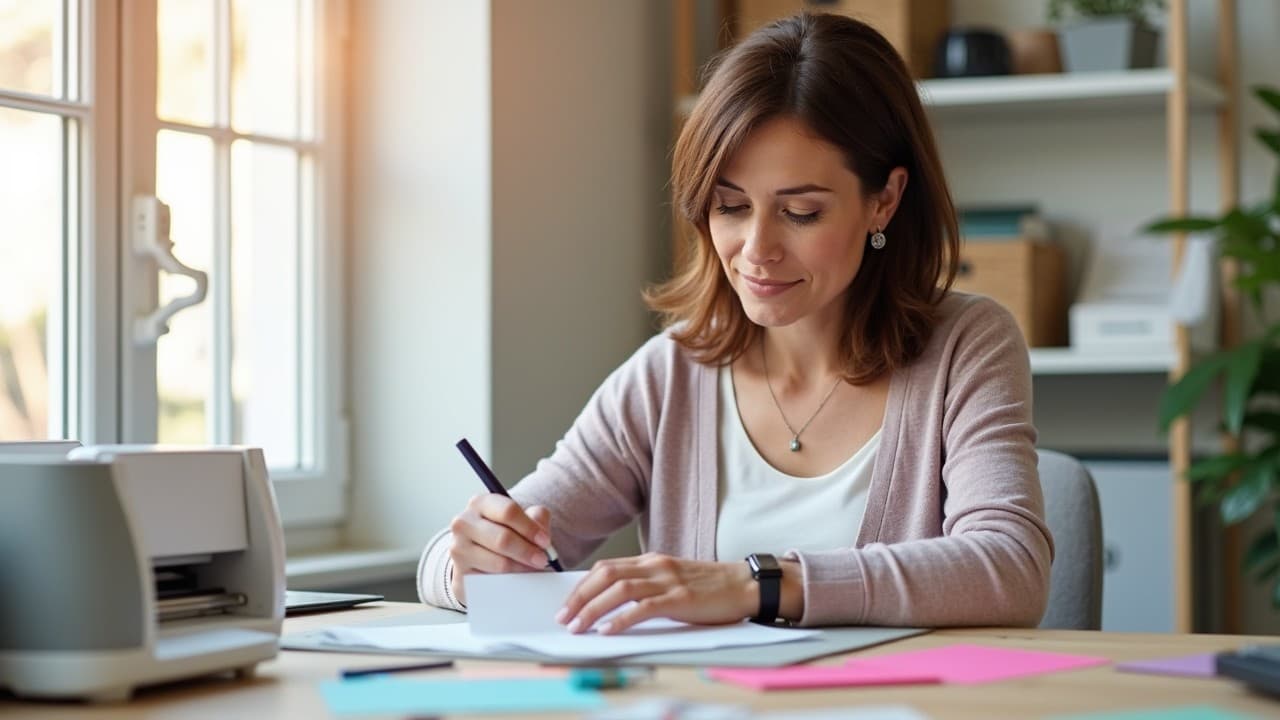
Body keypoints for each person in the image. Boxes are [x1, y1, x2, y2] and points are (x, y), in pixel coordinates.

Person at [418, 12, 1053, 632]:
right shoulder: (671, 373)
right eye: (730, 206)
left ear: (884, 200)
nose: (756, 249)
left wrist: (756, 586)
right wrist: (466, 563)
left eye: (800, 212)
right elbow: (476, 547)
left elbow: (1010, 568)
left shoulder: (967, 346)